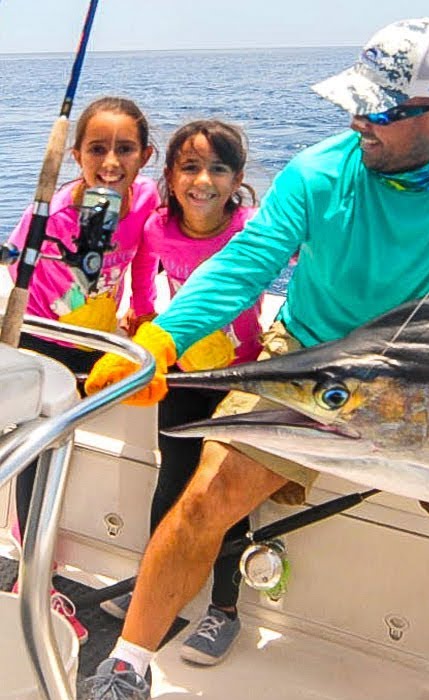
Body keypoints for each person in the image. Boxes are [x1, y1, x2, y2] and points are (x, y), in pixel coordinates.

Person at [78, 17, 429, 700]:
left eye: (376, 110)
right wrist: (165, 337)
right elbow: (244, 267)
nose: (356, 122)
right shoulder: (319, 171)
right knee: (207, 493)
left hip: (423, 374)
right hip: (311, 360)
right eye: (354, 103)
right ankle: (126, 664)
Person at [98, 119, 265, 668]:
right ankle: (154, 587)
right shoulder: (156, 228)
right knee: (171, 481)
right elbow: (143, 283)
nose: (203, 181)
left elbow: (309, 263)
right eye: (189, 167)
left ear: (237, 178)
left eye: (218, 168)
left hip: (238, 379)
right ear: (169, 176)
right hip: (184, 373)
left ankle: (224, 608)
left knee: (225, 493)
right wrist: (144, 329)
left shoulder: (250, 230)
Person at [4, 96, 159, 644]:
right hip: (47, 341)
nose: (111, 160)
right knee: (38, 452)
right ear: (76, 155)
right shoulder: (53, 210)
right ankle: (33, 569)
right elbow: (14, 261)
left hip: (100, 339)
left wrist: (142, 308)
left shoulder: (144, 201)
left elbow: (143, 255)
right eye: (98, 148)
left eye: (125, 148)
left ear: (145, 155)